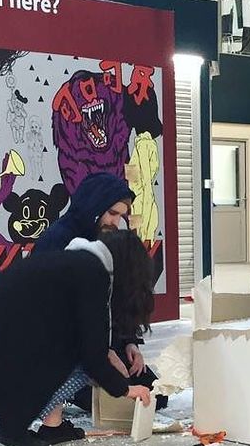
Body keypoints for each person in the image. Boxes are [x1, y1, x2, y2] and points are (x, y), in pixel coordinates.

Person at [0, 230, 154, 446]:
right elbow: (91, 358)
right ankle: (13, 427)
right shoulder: (93, 274)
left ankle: (53, 428)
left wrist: (107, 352)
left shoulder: (79, 261)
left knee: (70, 352)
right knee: (79, 364)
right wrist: (126, 389)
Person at [33, 172, 158, 407]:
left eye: (121, 216)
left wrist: (129, 341)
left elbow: (116, 298)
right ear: (93, 207)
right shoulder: (57, 242)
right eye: (112, 213)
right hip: (62, 346)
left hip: (101, 340)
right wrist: (101, 353)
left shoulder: (108, 240)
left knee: (152, 394)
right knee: (117, 398)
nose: (116, 222)